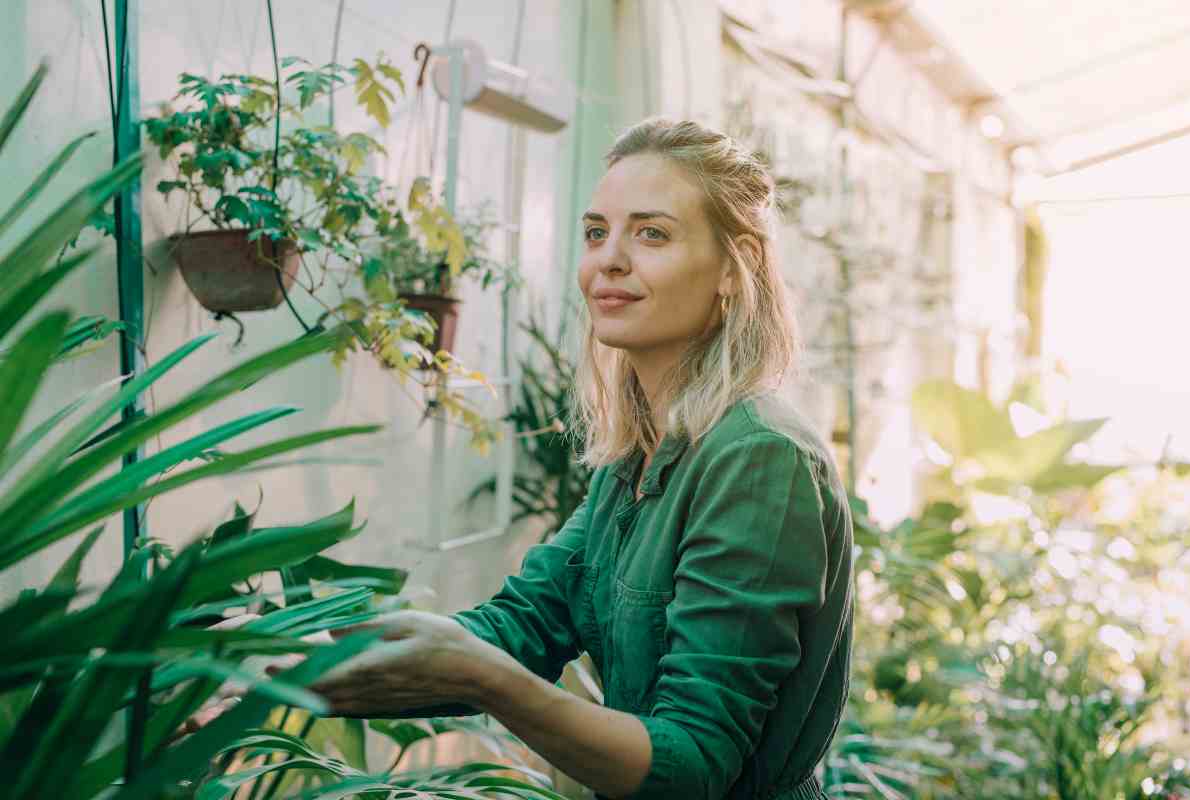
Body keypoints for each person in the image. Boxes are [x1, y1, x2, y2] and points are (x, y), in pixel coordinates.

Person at [280, 118, 854, 800]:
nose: (608, 260)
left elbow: (693, 764)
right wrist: (277, 657)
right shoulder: (640, 459)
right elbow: (515, 630)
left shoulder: (757, 457)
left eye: (652, 233)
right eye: (595, 233)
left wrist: (485, 678)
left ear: (735, 268)